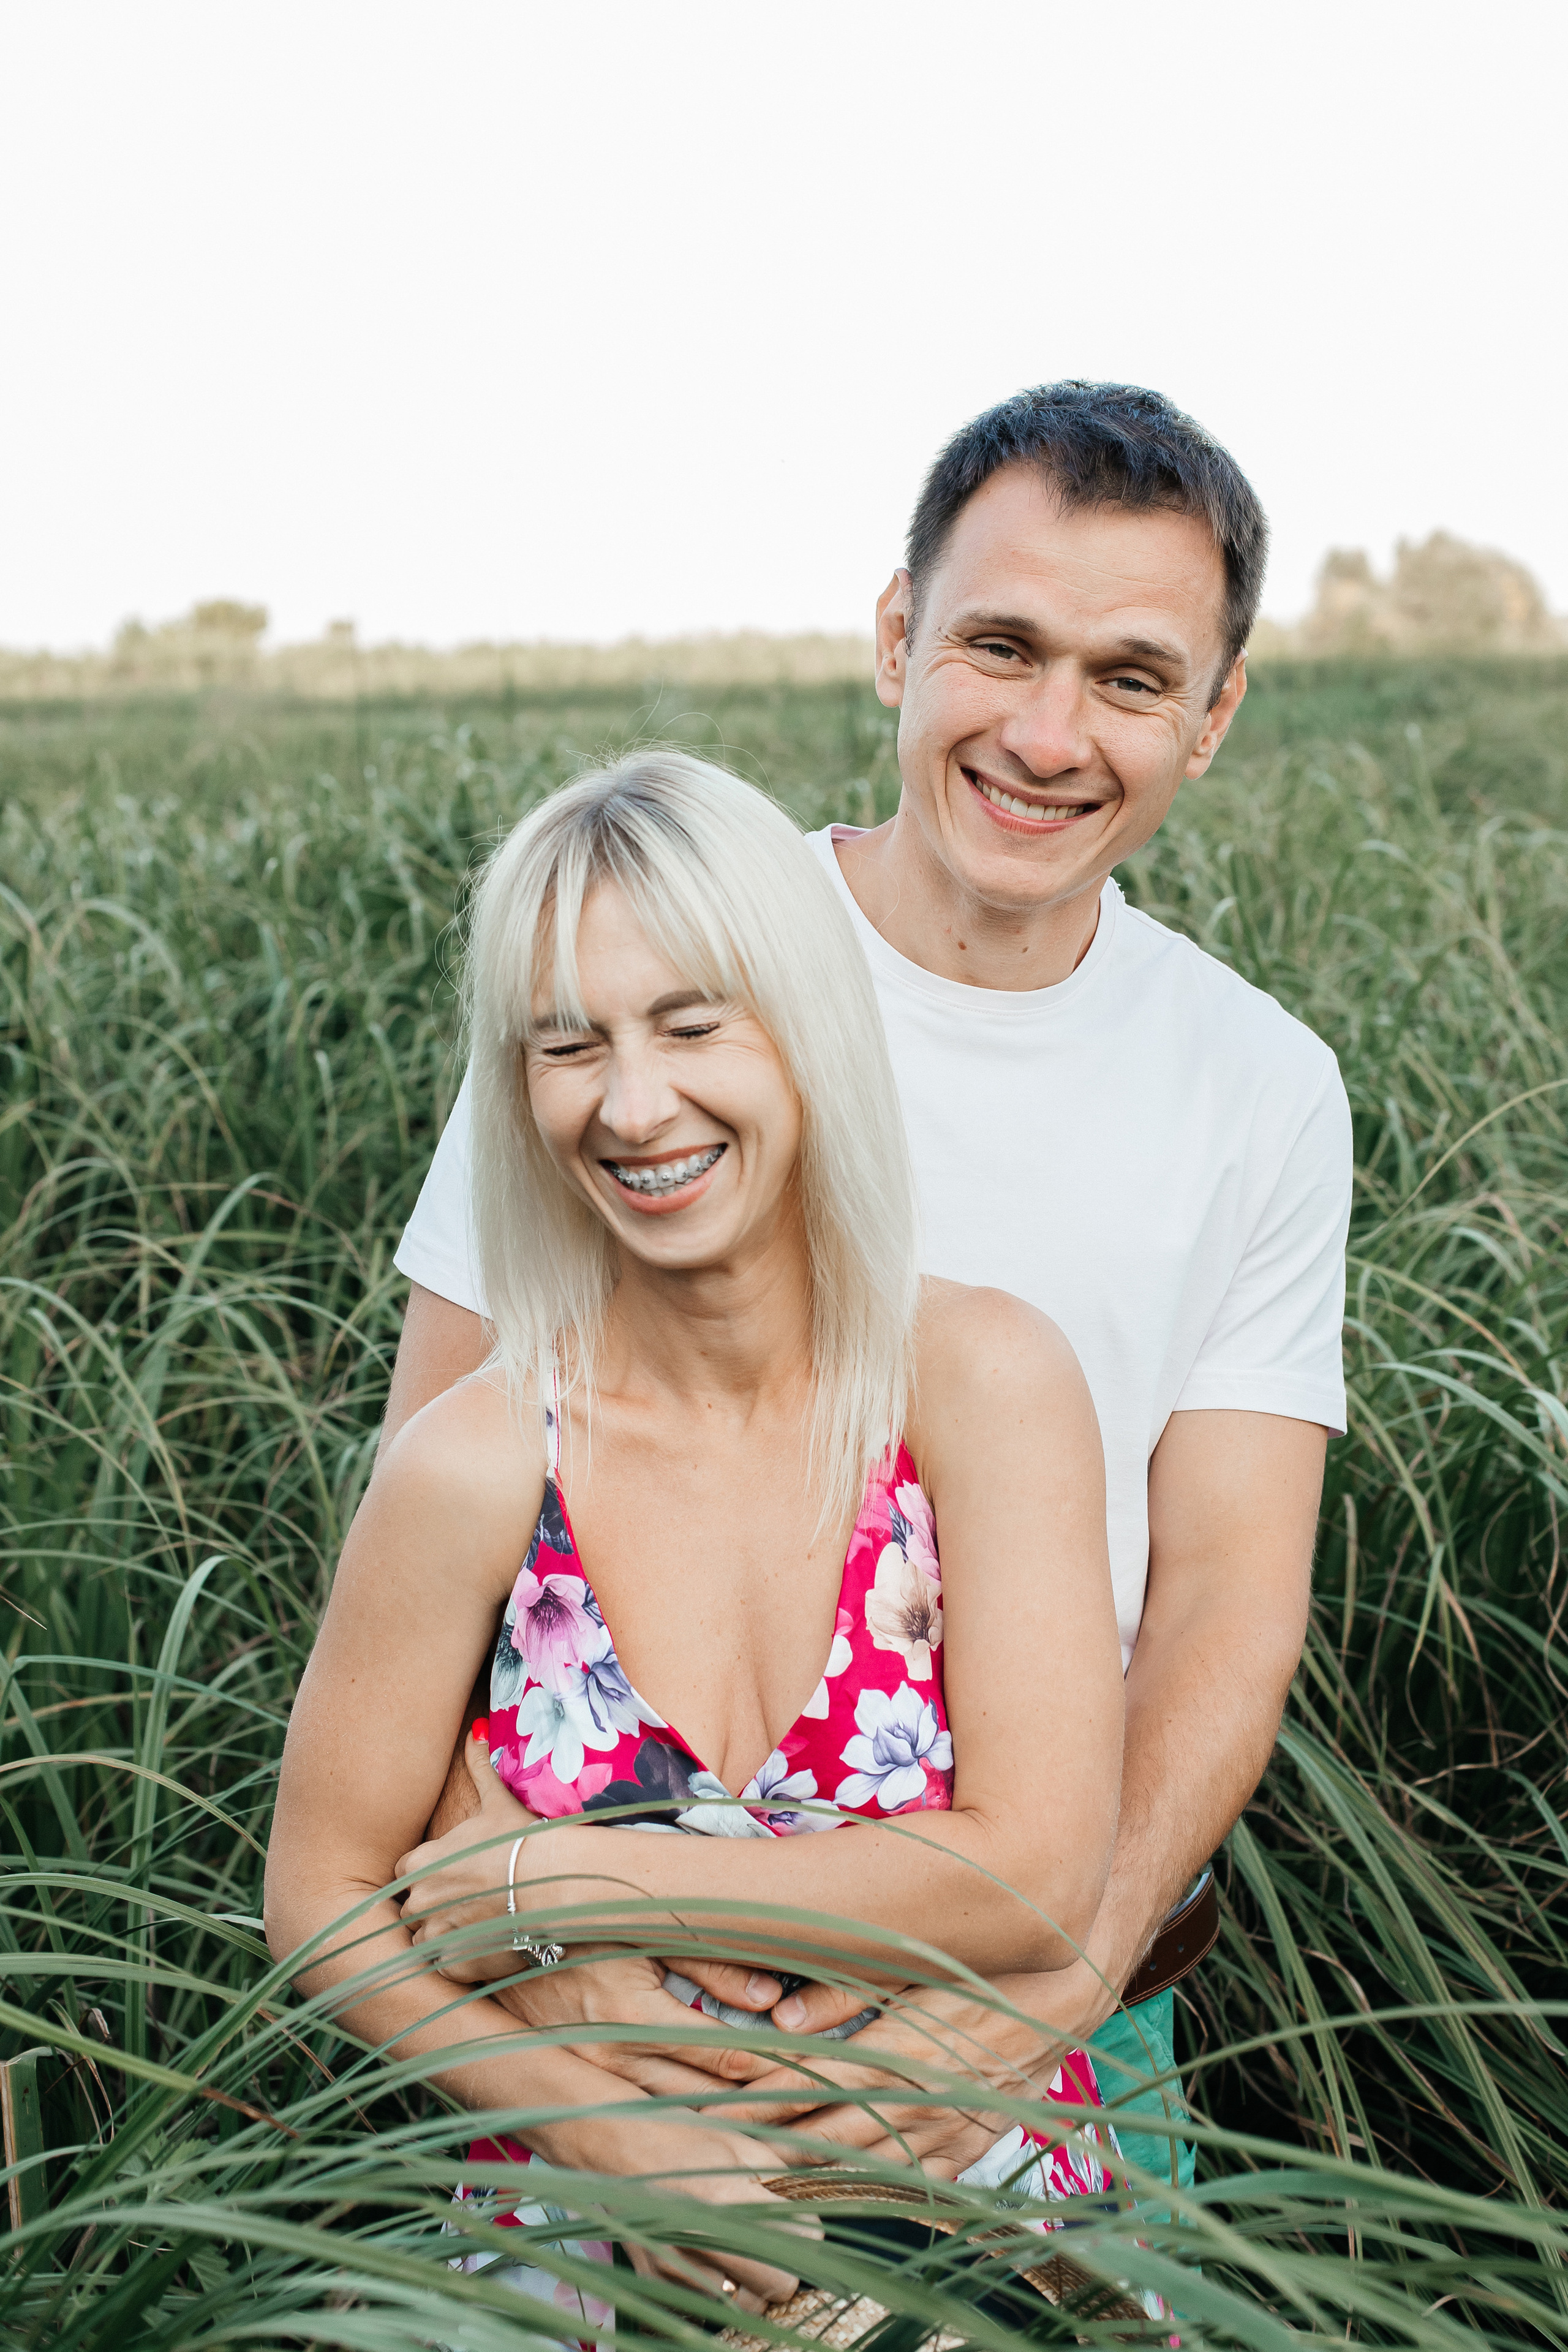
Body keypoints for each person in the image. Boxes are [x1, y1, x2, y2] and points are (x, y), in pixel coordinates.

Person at [382, 382, 1353, 2192]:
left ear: (1213, 718)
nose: (1049, 733)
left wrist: (1042, 1985)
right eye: (1000, 644)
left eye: (1132, 678)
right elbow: (432, 1487)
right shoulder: (648, 976)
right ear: (897, 635)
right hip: (591, 1989)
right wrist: (570, 1962)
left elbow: (1229, 1597)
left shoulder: (1260, 1085)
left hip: (1048, 1975)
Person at [265, 752, 1128, 2329]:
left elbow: (1045, 1873)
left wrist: (577, 1880)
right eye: (568, 1045)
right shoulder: (471, 1461)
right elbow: (319, 1892)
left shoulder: (984, 1386)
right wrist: (602, 2128)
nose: (632, 1102)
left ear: (803, 1027)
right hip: (582, 2246)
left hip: (969, 2216)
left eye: (688, 1023)